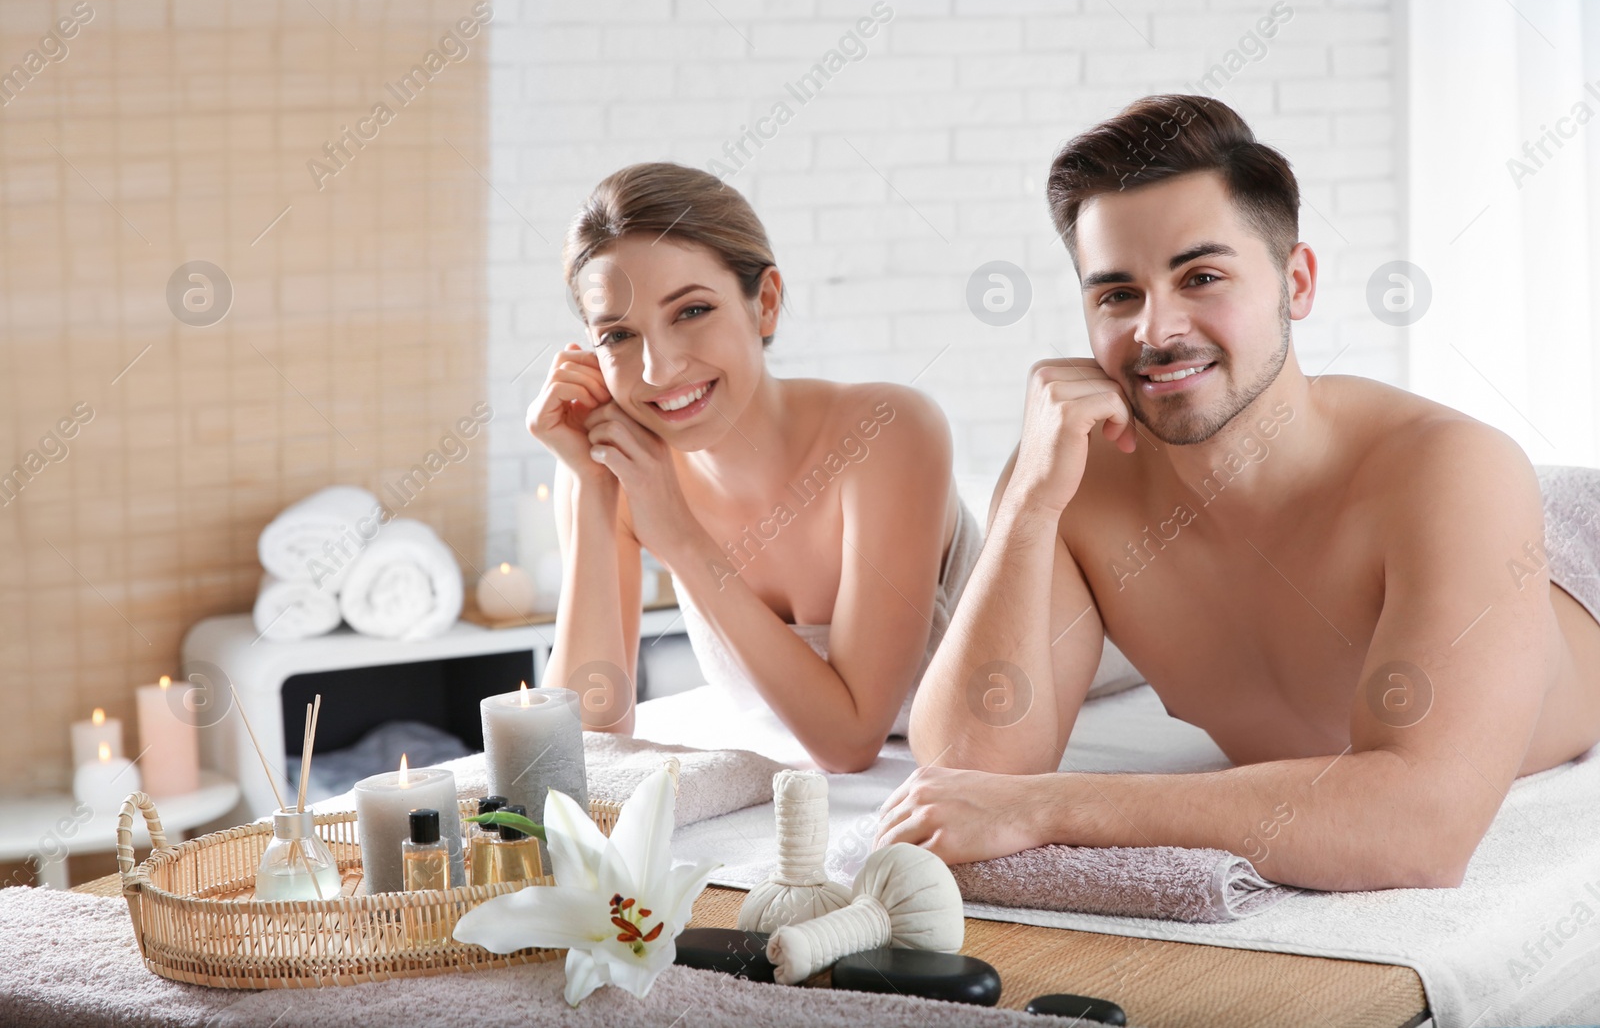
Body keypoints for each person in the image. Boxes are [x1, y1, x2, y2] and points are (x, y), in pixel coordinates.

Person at [876, 94, 1600, 891]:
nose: (1157, 330)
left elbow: (1419, 828)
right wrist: (1025, 506)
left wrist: (1056, 807)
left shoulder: (1452, 470)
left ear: (1296, 283)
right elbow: (966, 780)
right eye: (1117, 294)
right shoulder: (1073, 475)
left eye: (1202, 276)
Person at [527, 163, 981, 773]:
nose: (659, 371)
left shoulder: (888, 431)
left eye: (690, 312)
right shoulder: (613, 469)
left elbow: (849, 743)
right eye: (619, 336)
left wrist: (679, 536)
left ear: (764, 304)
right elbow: (586, 736)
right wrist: (590, 485)